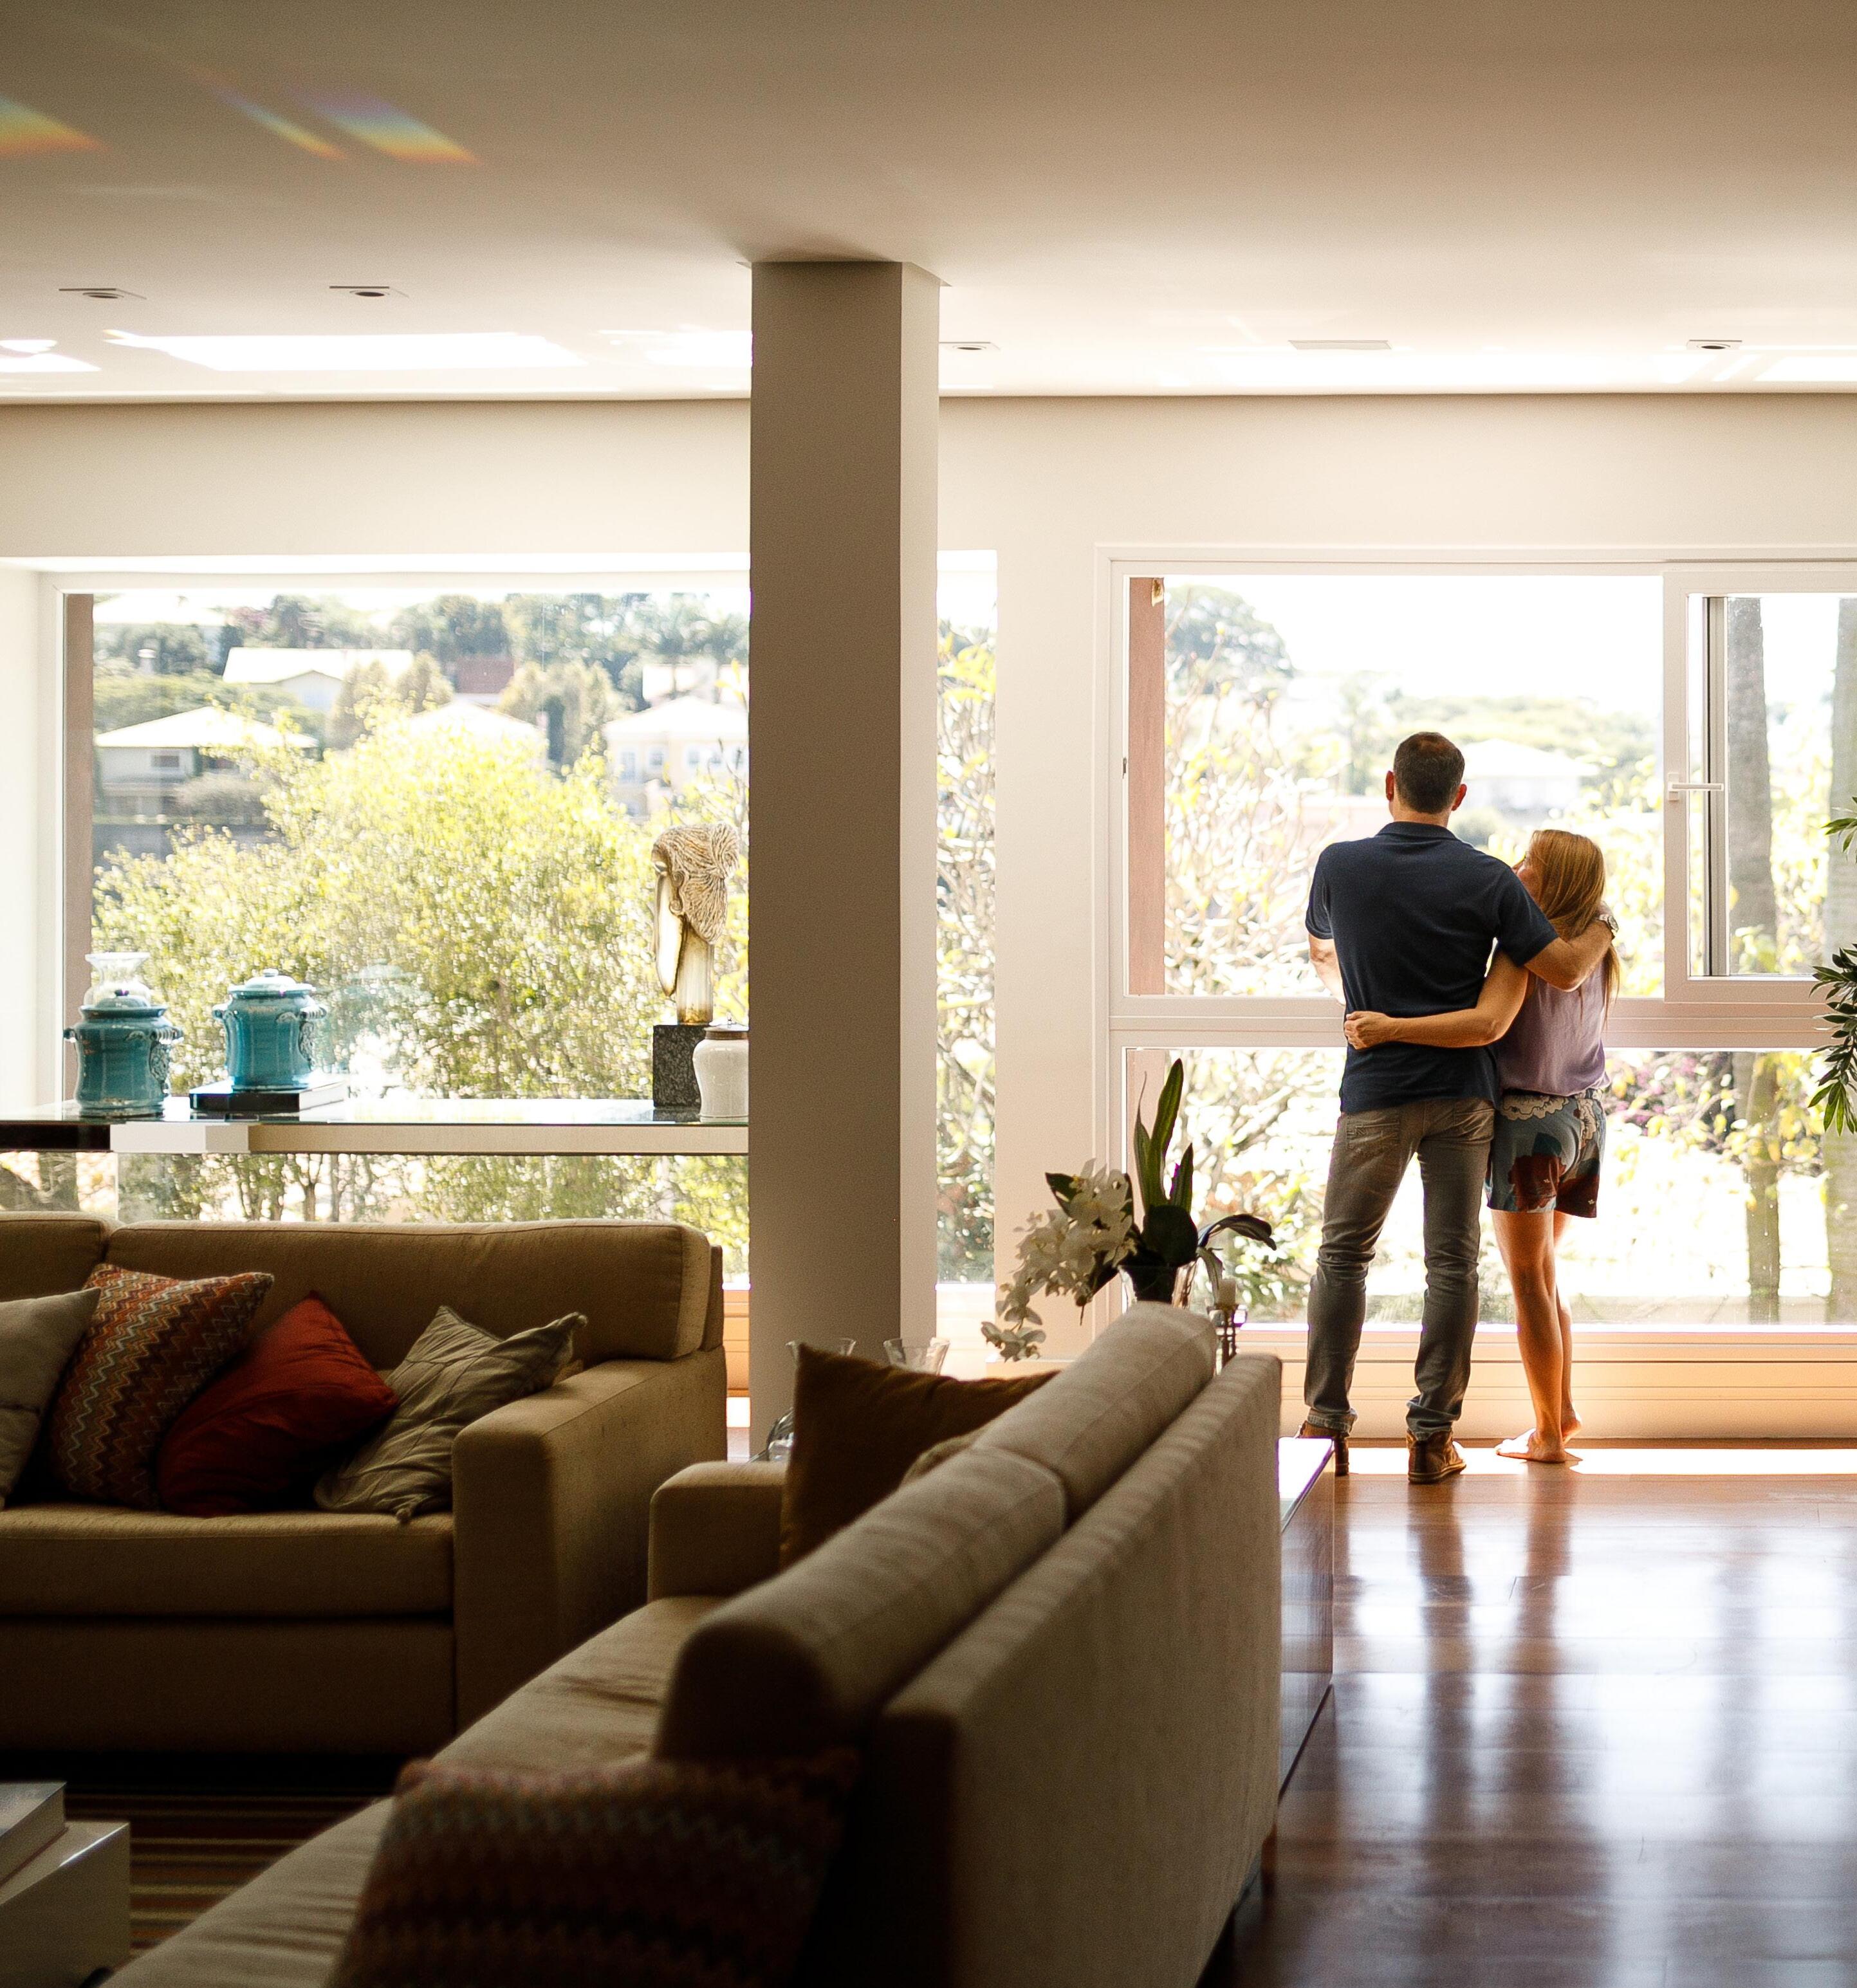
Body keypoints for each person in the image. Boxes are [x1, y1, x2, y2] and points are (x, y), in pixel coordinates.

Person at [1301, 734, 1611, 1485]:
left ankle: (1325, 1427)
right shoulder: (1490, 879)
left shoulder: (1339, 864)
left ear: (1390, 785)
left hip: (1377, 1092)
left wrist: (1366, 995)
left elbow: (1322, 951)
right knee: (1453, 1266)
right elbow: (1558, 970)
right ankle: (1432, 1439)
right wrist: (1606, 925)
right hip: (1467, 1101)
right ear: (1460, 796)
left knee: (1343, 1257)